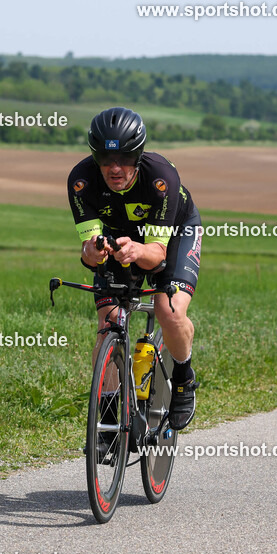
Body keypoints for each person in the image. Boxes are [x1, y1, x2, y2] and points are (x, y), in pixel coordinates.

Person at [67, 107, 201, 430]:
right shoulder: (81, 182)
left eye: (125, 159)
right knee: (109, 320)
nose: (115, 168)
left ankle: (183, 377)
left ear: (138, 156)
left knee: (168, 310)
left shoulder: (161, 179)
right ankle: (110, 416)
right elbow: (88, 254)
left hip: (173, 234)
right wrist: (93, 251)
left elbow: (157, 255)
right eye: (105, 159)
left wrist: (135, 250)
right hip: (118, 239)